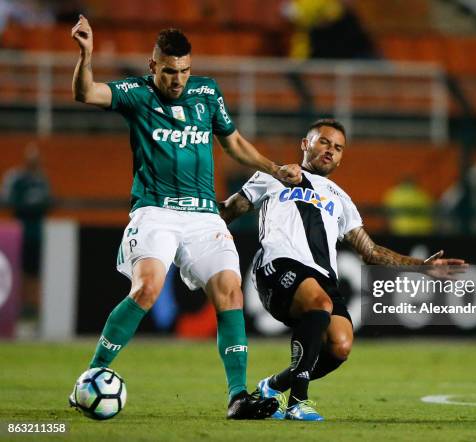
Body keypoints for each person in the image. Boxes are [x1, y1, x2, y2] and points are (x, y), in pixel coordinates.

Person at [69, 15, 302, 419]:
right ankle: (92, 376)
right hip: (155, 210)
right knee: (147, 288)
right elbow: (86, 93)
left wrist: (273, 167)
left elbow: (234, 144)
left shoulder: (208, 93)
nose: (177, 80)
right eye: (169, 71)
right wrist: (86, 54)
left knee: (230, 290)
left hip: (203, 215)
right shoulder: (136, 94)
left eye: (184, 71)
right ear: (152, 66)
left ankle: (238, 398)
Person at [219, 119, 466, 420]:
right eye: (324, 142)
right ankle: (298, 402)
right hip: (277, 265)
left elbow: (371, 252)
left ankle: (272, 386)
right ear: (305, 144)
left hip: (323, 278)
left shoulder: (341, 198)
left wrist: (421, 268)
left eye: (337, 148)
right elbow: (229, 210)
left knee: (340, 344)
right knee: (318, 304)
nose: (330, 151)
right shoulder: (272, 177)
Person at [2, 144, 52, 318]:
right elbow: (9, 201)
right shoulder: (17, 179)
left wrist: (31, 206)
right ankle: (18, 306)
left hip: (37, 234)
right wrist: (31, 206)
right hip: (18, 235)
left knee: (35, 272)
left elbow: (48, 203)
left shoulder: (41, 180)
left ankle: (32, 307)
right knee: (18, 270)